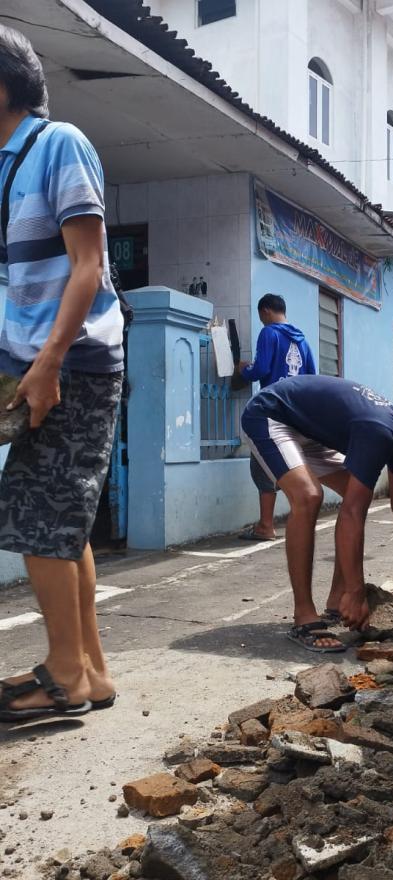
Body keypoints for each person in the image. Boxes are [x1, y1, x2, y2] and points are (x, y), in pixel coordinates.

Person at [0, 26, 125, 722]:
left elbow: (88, 265)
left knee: (37, 518)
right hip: (34, 365)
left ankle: (62, 672)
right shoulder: (2, 167)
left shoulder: (59, 144)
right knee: (64, 524)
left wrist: (47, 365)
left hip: (71, 363)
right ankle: (91, 672)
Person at [241, 376, 393, 651]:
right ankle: (304, 617)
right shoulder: (380, 431)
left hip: (306, 431)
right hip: (269, 415)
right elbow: (351, 514)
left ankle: (337, 600)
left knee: (356, 494)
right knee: (308, 496)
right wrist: (358, 591)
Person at [237, 294, 316, 541]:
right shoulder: (302, 340)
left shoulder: (269, 333)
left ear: (266, 311)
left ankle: (266, 525)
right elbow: (311, 377)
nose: (261, 320)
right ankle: (300, 518)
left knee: (261, 465)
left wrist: (243, 369)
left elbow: (260, 370)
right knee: (292, 464)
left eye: (261, 316)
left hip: (272, 409)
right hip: (297, 412)